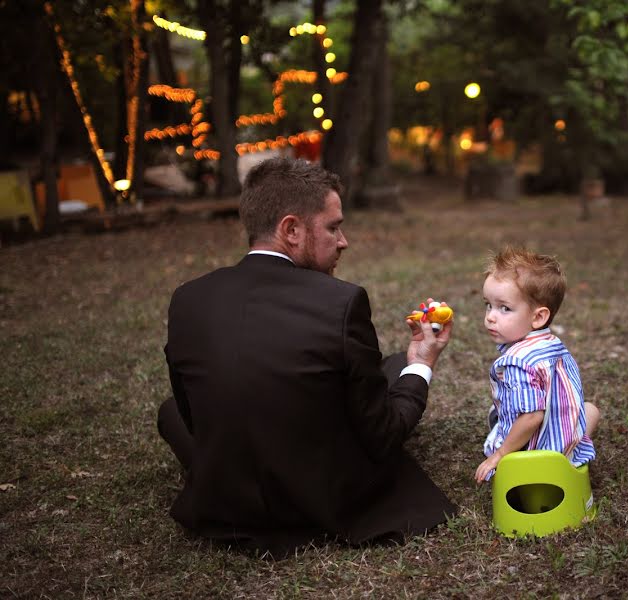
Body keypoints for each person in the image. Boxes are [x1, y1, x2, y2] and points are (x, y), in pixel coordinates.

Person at [157, 157, 456, 556]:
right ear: (292, 230)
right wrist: (422, 362)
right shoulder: (341, 301)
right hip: (321, 497)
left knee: (170, 411)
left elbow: (194, 418)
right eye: (333, 226)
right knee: (400, 370)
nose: (344, 240)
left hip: (228, 496)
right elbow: (382, 438)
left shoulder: (188, 298)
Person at [475, 246, 600, 483]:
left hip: (533, 458)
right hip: (564, 448)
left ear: (538, 317)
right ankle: (572, 452)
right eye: (488, 305)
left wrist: (500, 454)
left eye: (504, 308)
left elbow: (532, 417)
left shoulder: (516, 363)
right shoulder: (553, 344)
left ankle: (516, 456)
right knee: (590, 409)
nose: (490, 316)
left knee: (497, 416)